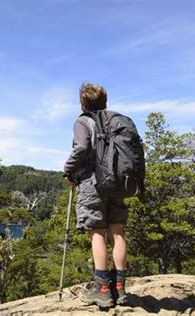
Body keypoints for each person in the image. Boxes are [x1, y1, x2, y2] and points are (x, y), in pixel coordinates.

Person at [63, 82, 128, 308]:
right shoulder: (114, 122)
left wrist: (67, 169)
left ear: (83, 102)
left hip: (93, 182)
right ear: (104, 101)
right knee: (117, 232)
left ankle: (102, 289)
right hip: (117, 182)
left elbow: (81, 148)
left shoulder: (83, 121)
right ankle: (120, 287)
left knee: (97, 232)